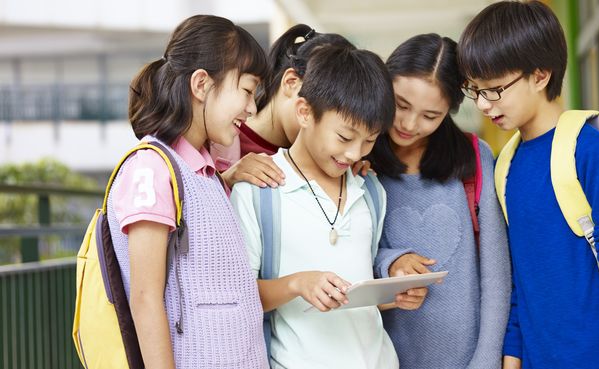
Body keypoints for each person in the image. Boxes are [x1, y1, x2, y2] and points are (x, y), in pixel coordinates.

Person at [457, 2, 599, 369]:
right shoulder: (506, 166)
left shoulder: (591, 150)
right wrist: (512, 360)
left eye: (495, 89)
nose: (485, 105)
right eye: (476, 90)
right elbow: (519, 281)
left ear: (540, 75)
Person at [231, 45, 418, 369]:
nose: (353, 154)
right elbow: (237, 298)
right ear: (304, 112)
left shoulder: (371, 190)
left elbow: (358, 293)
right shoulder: (259, 190)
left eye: (369, 140)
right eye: (344, 137)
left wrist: (394, 296)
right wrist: (297, 283)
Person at [108, 15, 268, 368]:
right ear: (201, 84)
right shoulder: (151, 168)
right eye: (246, 90)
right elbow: (146, 297)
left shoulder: (205, 172)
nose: (252, 108)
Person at [367, 33, 511, 369]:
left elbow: (496, 274)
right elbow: (343, 255)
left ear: (450, 111)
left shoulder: (474, 159)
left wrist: (487, 361)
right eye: (401, 105)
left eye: (430, 115)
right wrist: (390, 262)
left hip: (470, 359)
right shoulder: (357, 158)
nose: (408, 124)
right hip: (384, 358)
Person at [218, 24, 374, 189]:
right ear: (291, 82)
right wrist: (226, 180)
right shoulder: (220, 135)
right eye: (344, 137)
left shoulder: (331, 157)